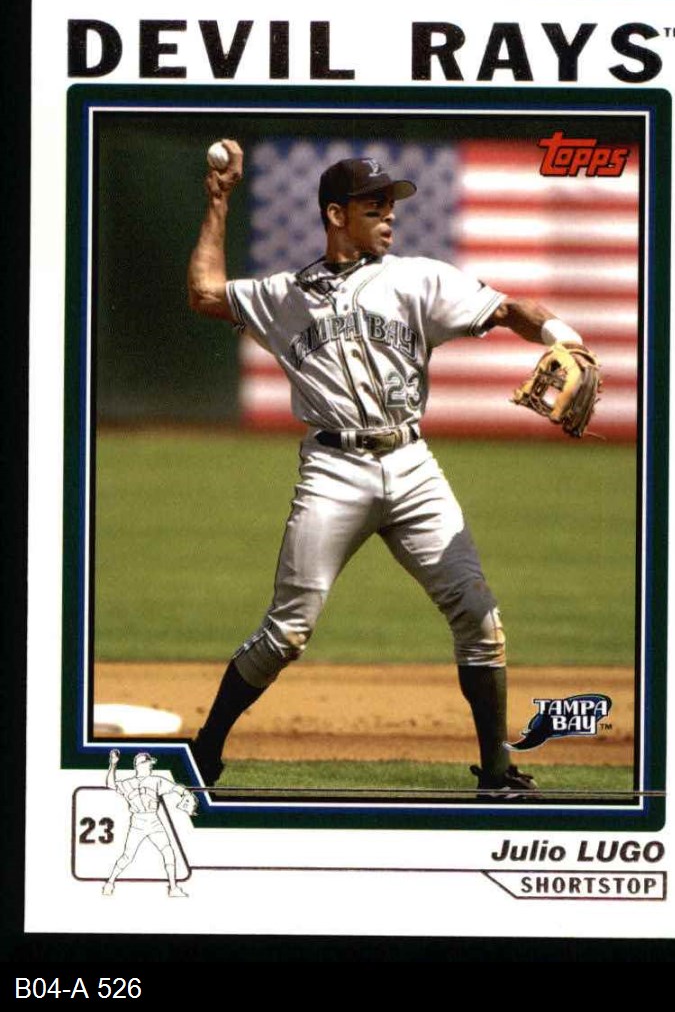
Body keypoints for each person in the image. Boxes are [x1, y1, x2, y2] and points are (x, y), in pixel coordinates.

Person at [187, 141, 586, 798]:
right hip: (332, 469)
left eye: (389, 204)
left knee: (478, 617)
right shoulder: (284, 295)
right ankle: (205, 752)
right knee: (287, 631)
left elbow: (511, 309)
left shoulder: (417, 279)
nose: (388, 216)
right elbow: (204, 293)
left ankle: (497, 774)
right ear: (335, 214)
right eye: (373, 206)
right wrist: (219, 201)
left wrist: (563, 339)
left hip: (411, 464)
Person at [102, 750, 194, 897]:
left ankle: (173, 888)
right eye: (148, 763)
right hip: (137, 822)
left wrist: (186, 794)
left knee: (168, 852)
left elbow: (175, 788)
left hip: (153, 820)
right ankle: (109, 883)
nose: (150, 766)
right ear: (139, 766)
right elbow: (110, 784)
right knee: (127, 856)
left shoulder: (156, 780)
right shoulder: (128, 783)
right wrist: (113, 765)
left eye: (150, 764)